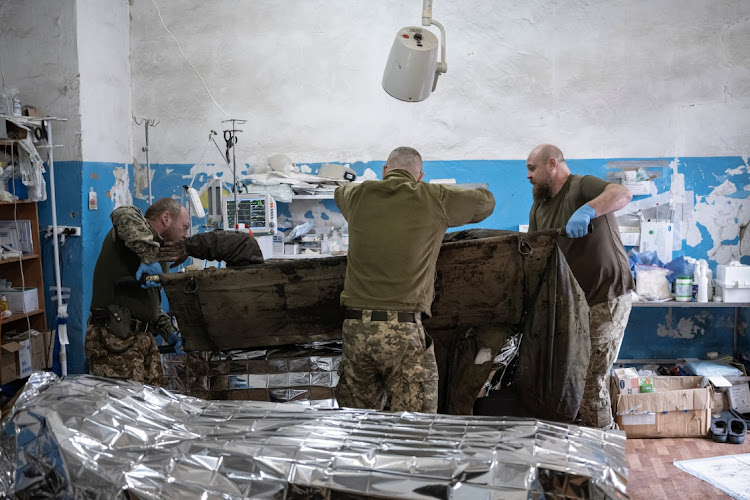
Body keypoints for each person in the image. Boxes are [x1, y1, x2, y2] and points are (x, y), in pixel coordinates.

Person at [334, 146, 496, 413]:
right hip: (402, 332)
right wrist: (434, 192)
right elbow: (485, 201)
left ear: (385, 171)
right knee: (414, 427)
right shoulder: (432, 197)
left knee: (357, 424)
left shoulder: (357, 195)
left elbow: (340, 191)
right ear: (419, 176)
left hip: (355, 330)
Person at [526, 144, 634, 429]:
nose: (528, 176)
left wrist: (588, 210)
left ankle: (603, 451)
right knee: (572, 376)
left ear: (552, 164)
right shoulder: (539, 207)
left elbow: (622, 194)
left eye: (531, 168)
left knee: (590, 380)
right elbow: (536, 255)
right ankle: (586, 442)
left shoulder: (582, 186)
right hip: (575, 305)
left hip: (606, 297)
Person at [86, 198, 190, 386]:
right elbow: (122, 213)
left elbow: (153, 305)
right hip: (115, 341)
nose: (186, 235)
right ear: (166, 218)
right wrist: (150, 259)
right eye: (185, 227)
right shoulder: (132, 234)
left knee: (153, 408)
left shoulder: (157, 254)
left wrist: (170, 333)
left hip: (143, 342)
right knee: (123, 409)